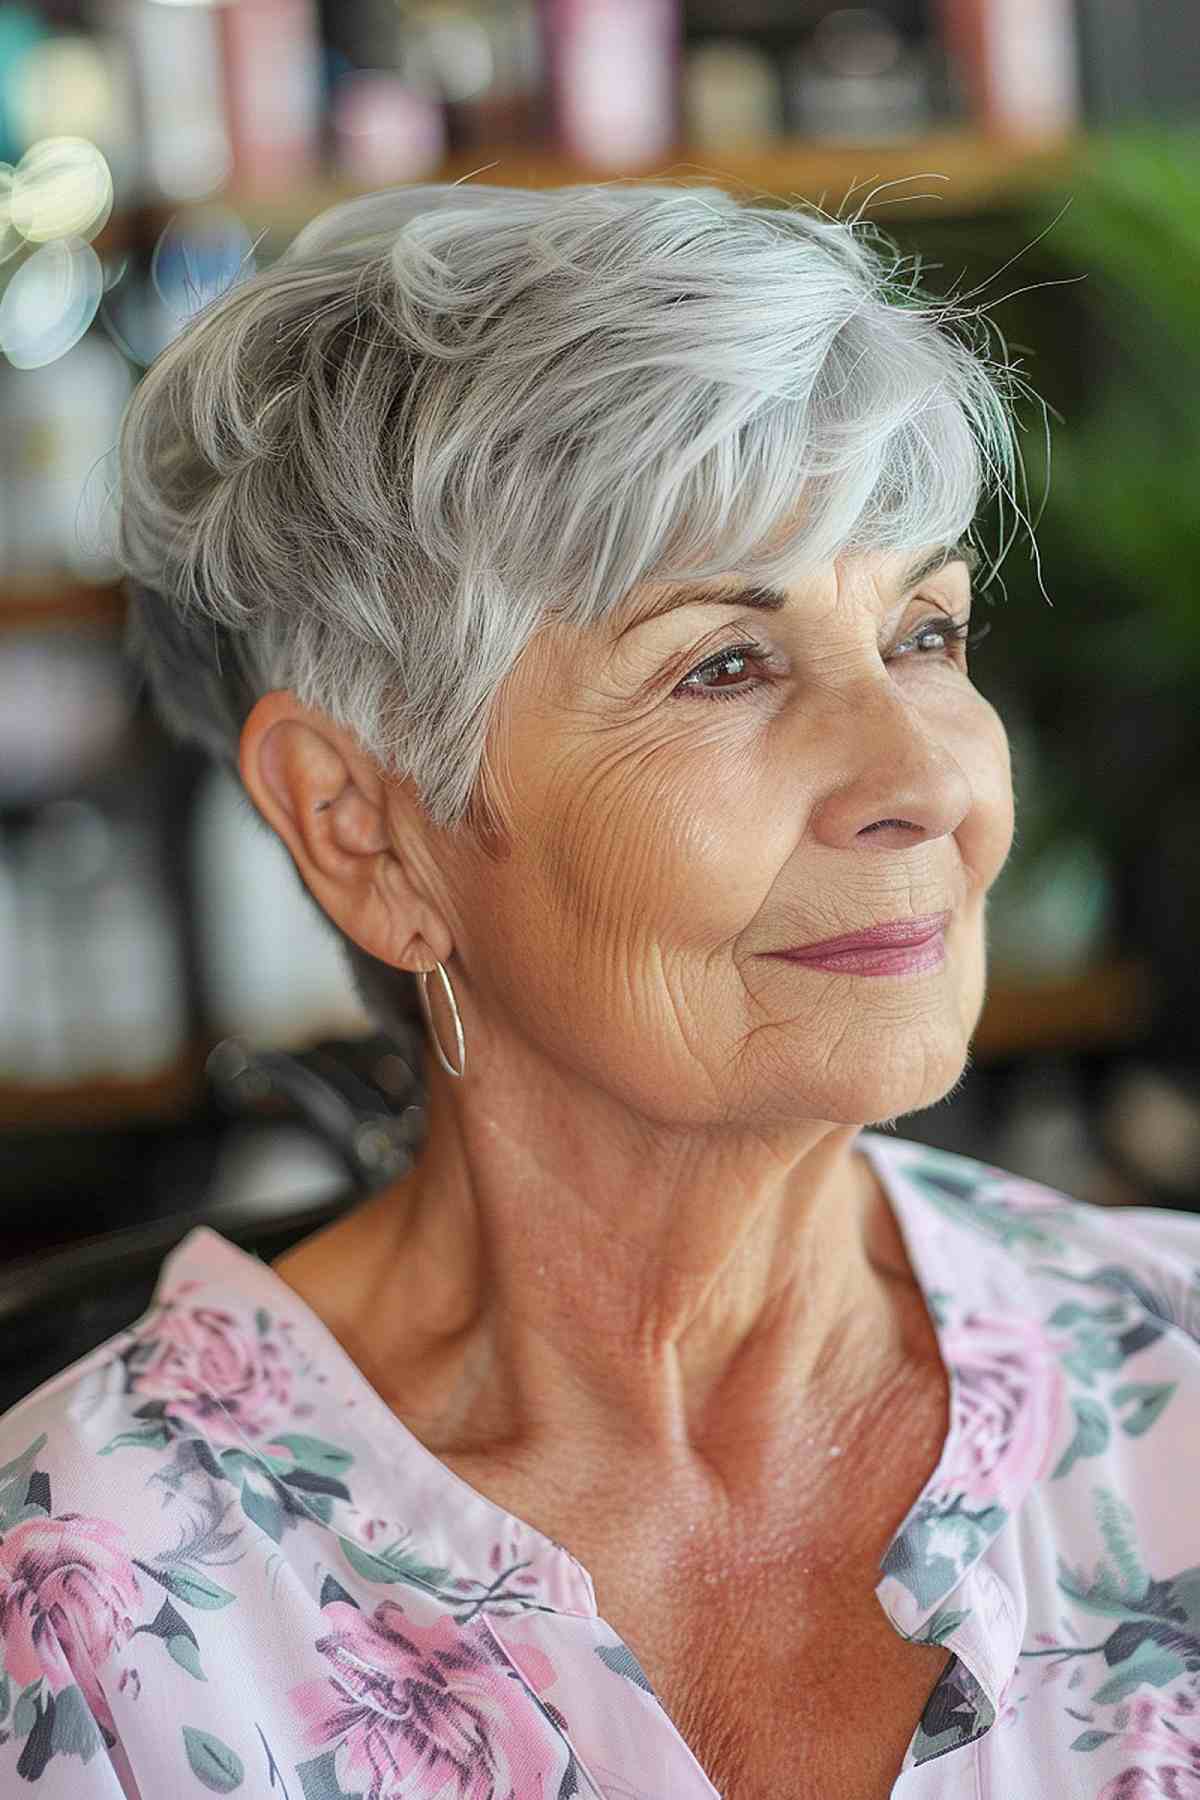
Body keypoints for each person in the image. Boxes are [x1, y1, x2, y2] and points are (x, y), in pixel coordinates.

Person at [2, 179, 1199, 1800]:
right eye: (725, 664)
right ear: (364, 830)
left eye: (925, 632)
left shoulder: (1176, 1383)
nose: (925, 776)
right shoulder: (88, 1605)